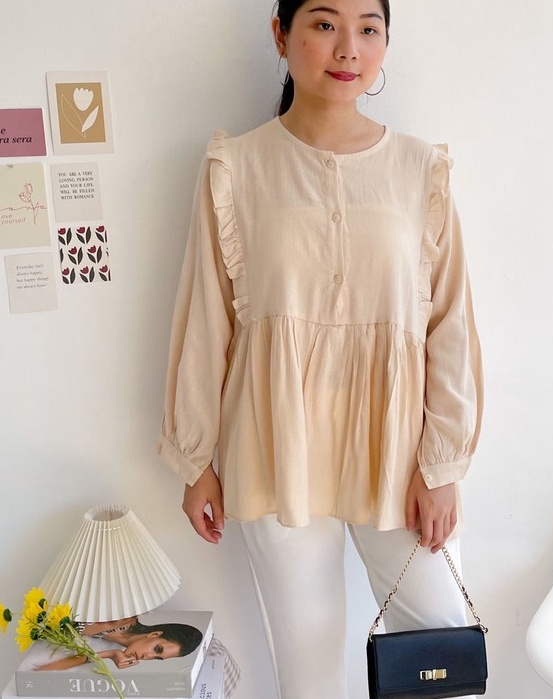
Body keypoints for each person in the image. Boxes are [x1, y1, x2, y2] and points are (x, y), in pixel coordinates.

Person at [158, 1, 483, 697]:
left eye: (368, 28)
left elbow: (450, 321)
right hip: (274, 445)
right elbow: (206, 318)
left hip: (399, 451)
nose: (347, 48)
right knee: (307, 672)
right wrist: (196, 457)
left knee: (441, 652)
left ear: (385, 42)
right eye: (324, 23)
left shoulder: (420, 168)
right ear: (281, 35)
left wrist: (442, 461)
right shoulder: (235, 167)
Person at [34, 616, 203, 670]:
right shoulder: (120, 616)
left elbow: (41, 670)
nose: (147, 657)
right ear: (154, 634)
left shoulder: (113, 646)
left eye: (156, 658)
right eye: (157, 649)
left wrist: (108, 654)